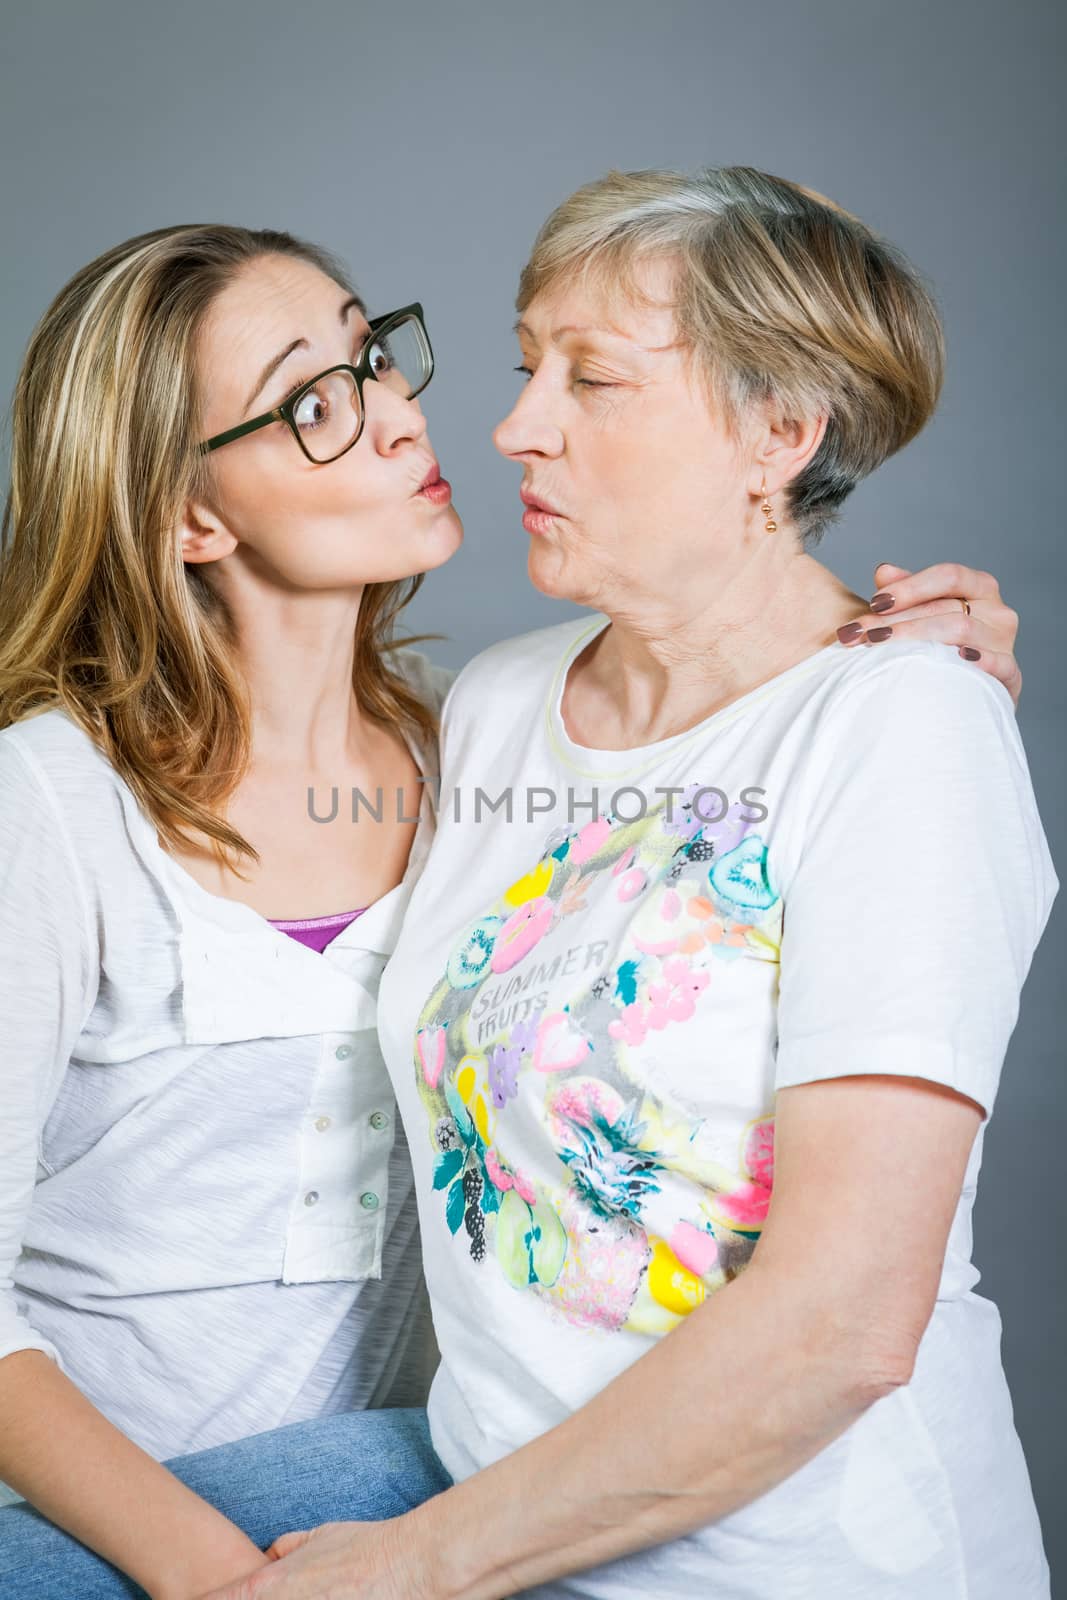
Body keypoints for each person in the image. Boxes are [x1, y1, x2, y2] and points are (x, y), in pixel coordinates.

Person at [0, 170, 1041, 1598]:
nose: (480, 425)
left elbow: (844, 1318)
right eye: (521, 363)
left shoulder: (872, 719)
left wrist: (920, 686)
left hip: (685, 1545)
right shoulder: (486, 717)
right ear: (189, 517)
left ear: (779, 435)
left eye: (595, 378)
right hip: (387, 1518)